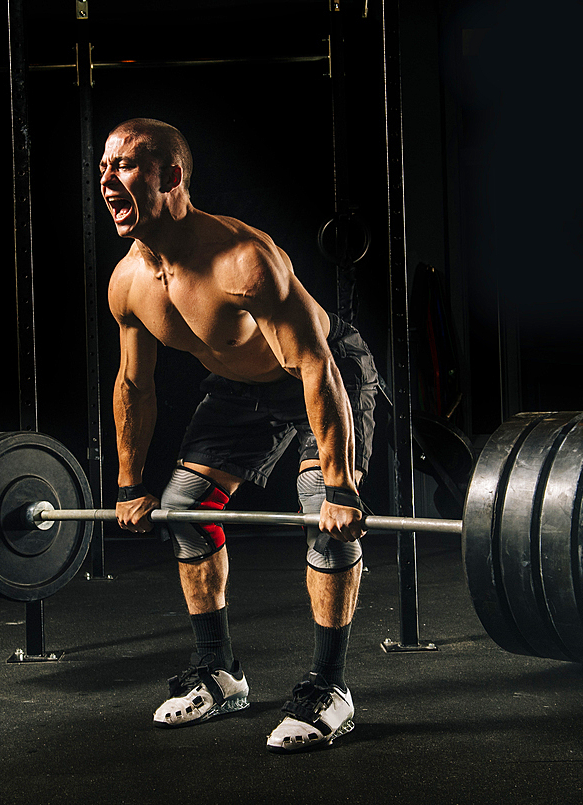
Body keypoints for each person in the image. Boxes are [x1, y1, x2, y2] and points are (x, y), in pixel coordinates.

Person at [104, 118, 379, 753]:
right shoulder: (128, 282)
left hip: (324, 371)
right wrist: (128, 483)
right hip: (239, 391)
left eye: (125, 166)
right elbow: (133, 388)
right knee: (182, 512)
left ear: (172, 176)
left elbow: (314, 366)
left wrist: (340, 487)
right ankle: (220, 674)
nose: (108, 182)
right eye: (103, 169)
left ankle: (328, 688)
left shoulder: (243, 259)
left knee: (322, 515)